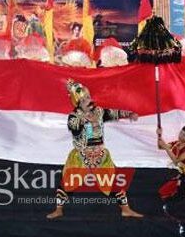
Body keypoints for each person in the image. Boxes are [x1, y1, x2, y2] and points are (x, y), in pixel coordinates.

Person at [47, 79, 143, 219]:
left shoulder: (99, 112)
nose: (89, 99)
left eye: (88, 96)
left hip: (100, 154)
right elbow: (74, 128)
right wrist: (85, 119)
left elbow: (113, 113)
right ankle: (58, 209)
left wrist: (129, 114)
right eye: (85, 98)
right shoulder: (74, 116)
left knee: (114, 180)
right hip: (81, 155)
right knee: (67, 181)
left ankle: (125, 209)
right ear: (78, 102)